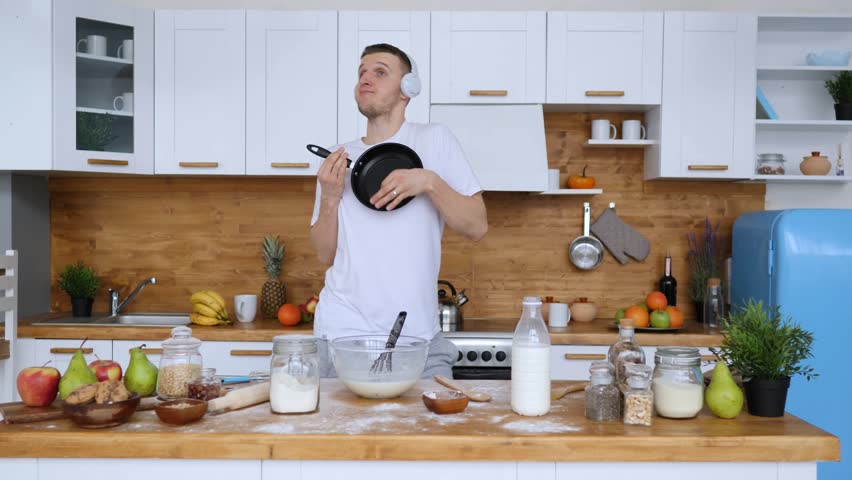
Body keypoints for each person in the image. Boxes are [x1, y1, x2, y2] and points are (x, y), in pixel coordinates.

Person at [310, 43, 488, 378]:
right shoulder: (336, 158)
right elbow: (324, 254)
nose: (366, 79)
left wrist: (430, 182)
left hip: (415, 338)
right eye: (361, 72)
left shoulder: (434, 140)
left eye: (380, 72)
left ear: (408, 88)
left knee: (429, 428)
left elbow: (477, 226)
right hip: (341, 335)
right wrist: (331, 196)